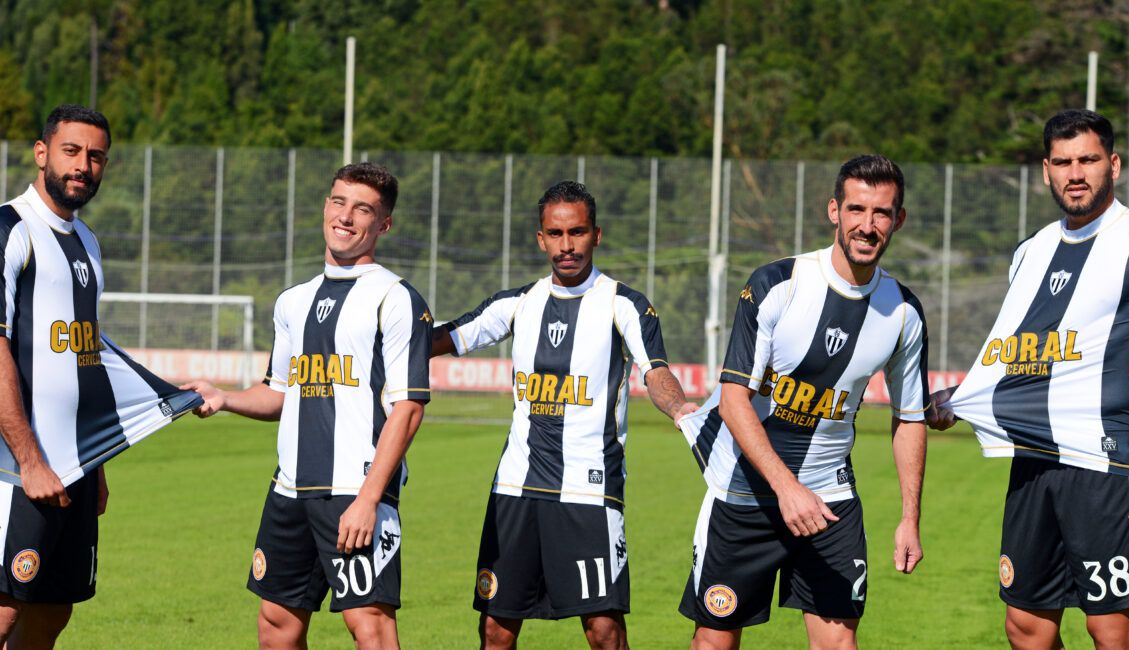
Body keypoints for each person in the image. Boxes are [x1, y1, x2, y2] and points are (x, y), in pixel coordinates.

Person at [930, 109, 1129, 649]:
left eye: (1088, 159)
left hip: (1112, 465)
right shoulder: (1031, 251)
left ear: (1113, 164)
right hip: (1035, 460)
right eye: (1062, 162)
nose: (1075, 172)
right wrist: (963, 398)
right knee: (1026, 627)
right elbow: (1020, 355)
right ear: (1046, 170)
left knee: (1111, 631)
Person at [430, 180, 696, 650]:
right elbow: (443, 339)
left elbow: (655, 372)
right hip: (515, 487)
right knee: (495, 627)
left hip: (588, 491)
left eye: (577, 233)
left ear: (597, 235)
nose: (566, 245)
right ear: (540, 238)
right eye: (555, 234)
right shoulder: (517, 303)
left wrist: (680, 410)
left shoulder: (624, 304)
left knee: (603, 630)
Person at [677, 155, 928, 649]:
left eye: (881, 213)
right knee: (715, 641)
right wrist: (786, 488)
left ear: (898, 220)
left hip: (829, 498)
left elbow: (910, 418)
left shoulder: (903, 312)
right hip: (744, 493)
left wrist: (909, 518)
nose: (868, 225)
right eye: (857, 209)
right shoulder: (777, 285)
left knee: (838, 643)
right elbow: (733, 402)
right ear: (833, 210)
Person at [183, 162, 430, 649]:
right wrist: (226, 398)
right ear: (326, 206)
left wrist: (369, 499)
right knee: (276, 624)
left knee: (370, 628)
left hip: (354, 491)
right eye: (338, 202)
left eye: (363, 209)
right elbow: (280, 393)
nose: (346, 216)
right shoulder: (293, 301)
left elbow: (409, 409)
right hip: (289, 488)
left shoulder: (396, 299)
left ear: (383, 225)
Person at [0, 104, 203, 647]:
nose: (83, 165)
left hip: (76, 465)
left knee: (51, 610)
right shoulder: (9, 229)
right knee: (3, 610)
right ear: (42, 153)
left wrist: (99, 459)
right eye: (71, 151)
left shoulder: (87, 241)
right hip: (16, 468)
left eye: (96, 156)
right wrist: (29, 461)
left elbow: (86, 358)